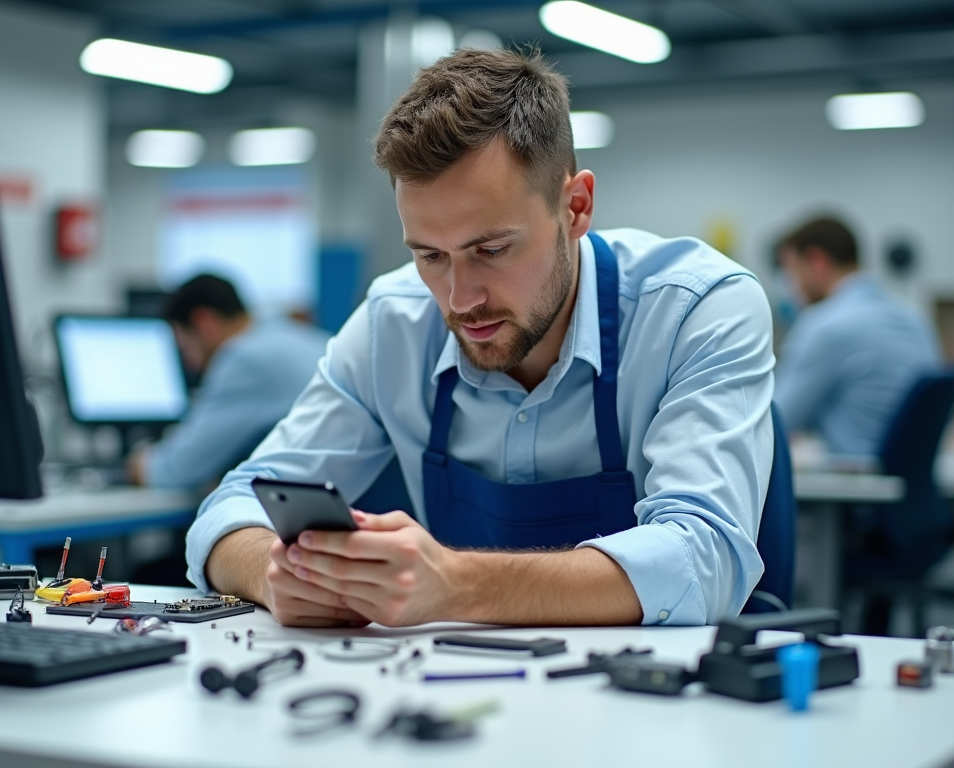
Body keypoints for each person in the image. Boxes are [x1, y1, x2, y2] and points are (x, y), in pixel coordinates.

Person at [186, 48, 775, 629]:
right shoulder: (392, 323)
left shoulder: (695, 310)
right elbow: (233, 507)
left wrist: (457, 584)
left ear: (575, 207)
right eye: (430, 256)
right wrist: (275, 574)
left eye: (490, 251)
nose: (460, 298)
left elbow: (705, 557)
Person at [127, 274, 329, 490]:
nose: (190, 364)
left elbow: (175, 472)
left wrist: (140, 462)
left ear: (204, 323)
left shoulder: (244, 358)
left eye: (186, 348)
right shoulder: (296, 335)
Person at [774, 217, 941, 457]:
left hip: (857, 488)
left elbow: (776, 422)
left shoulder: (823, 324)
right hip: (917, 487)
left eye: (791, 272)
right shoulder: (917, 321)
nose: (791, 287)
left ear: (816, 262)